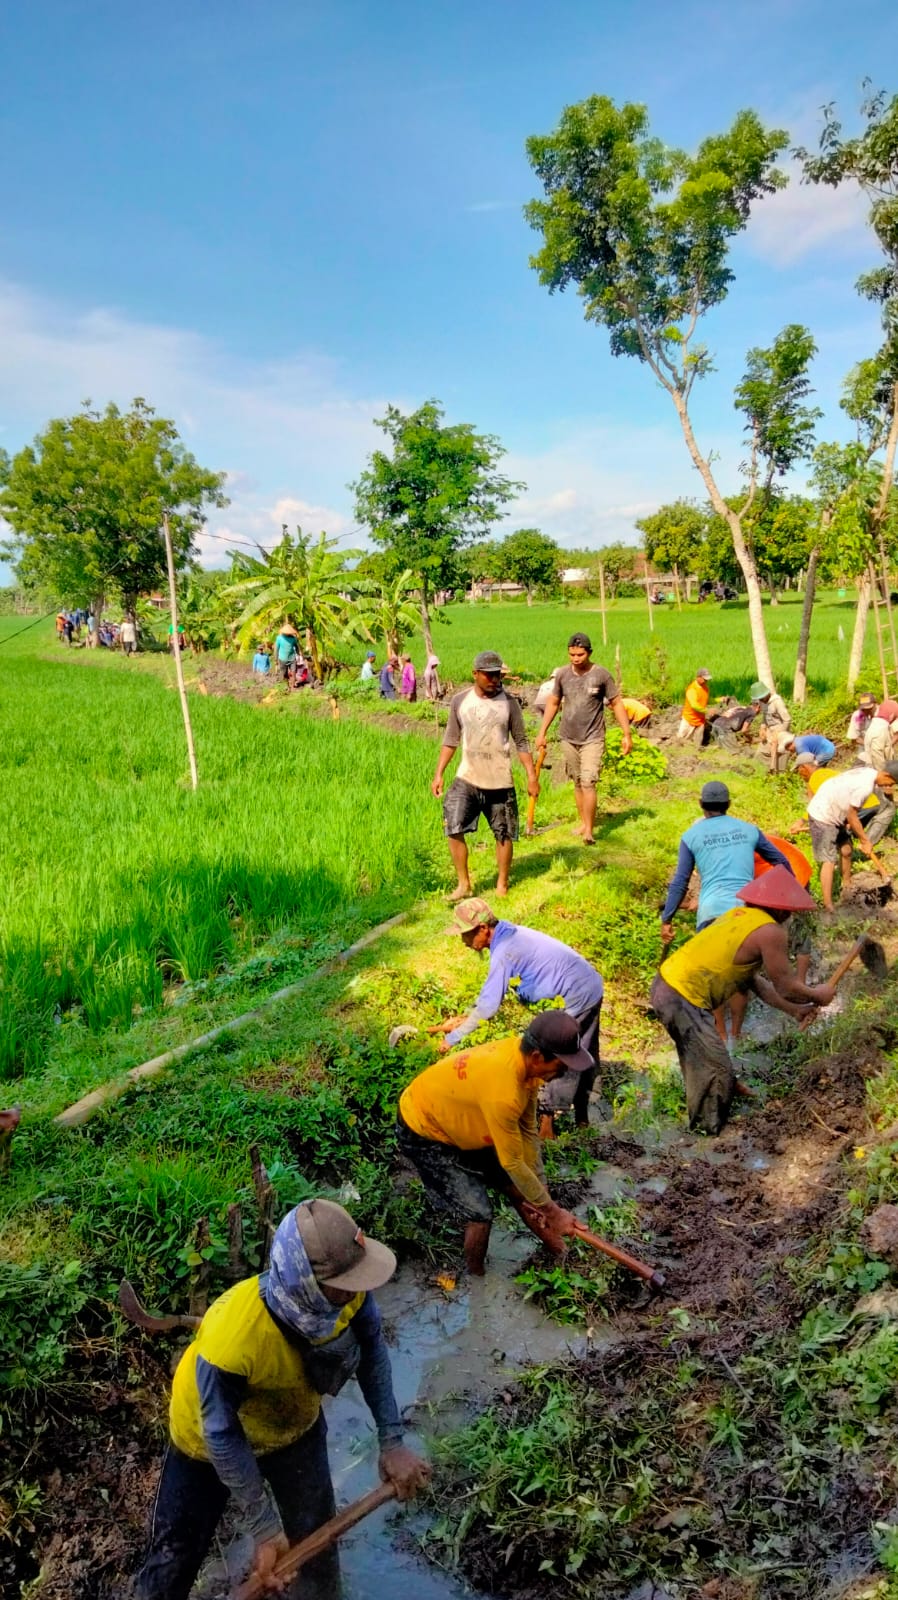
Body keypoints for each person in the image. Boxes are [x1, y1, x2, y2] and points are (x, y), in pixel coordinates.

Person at [135, 1199, 430, 1600]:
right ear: (305, 1282)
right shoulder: (234, 1339)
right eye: (343, 1284)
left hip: (292, 1427)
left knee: (315, 1546)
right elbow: (220, 1433)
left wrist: (392, 1440)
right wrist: (264, 1528)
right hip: (203, 1441)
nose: (357, 1290)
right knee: (175, 1555)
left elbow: (372, 1348)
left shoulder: (352, 1294)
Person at [397, 1013, 592, 1275]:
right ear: (537, 1057)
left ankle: (564, 1256)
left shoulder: (524, 1061)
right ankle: (478, 1283)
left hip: (470, 1118)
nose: (564, 1072)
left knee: (523, 1191)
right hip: (425, 1128)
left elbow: (528, 1131)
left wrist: (543, 1193)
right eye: (561, 1065)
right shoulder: (504, 1091)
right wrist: (554, 1213)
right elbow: (512, 1161)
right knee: (479, 1214)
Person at [651, 867, 836, 1135]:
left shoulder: (738, 916)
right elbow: (785, 985)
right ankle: (706, 1138)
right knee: (715, 1069)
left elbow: (754, 981)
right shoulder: (770, 932)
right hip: (682, 995)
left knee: (703, 1058)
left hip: (665, 985)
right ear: (783, 911)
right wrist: (818, 995)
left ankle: (719, 1096)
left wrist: (794, 1010)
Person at [432, 897, 604, 1135]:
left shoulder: (505, 950)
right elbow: (490, 993)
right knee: (583, 1047)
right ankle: (585, 1117)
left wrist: (453, 1039)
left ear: (483, 929)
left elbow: (489, 1007)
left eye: (466, 934)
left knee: (556, 1055)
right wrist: (465, 1016)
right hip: (591, 985)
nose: (463, 941)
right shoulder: (511, 935)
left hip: (578, 995)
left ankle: (547, 1125)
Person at [660, 780, 794, 1042]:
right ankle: (737, 1035)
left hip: (711, 912)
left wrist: (668, 917)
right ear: (728, 804)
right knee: (740, 976)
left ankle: (719, 1035)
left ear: (701, 805)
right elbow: (781, 861)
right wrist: (786, 896)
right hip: (745, 912)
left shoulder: (691, 836)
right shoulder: (748, 830)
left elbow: (681, 880)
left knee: (713, 976)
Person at [432, 651, 539, 899]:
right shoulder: (460, 701)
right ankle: (464, 884)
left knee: (503, 832)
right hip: (467, 777)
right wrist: (439, 774)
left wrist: (531, 776)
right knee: (453, 825)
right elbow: (450, 739)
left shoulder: (510, 703)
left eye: (497, 675)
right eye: (489, 675)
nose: (494, 680)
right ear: (475, 674)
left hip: (499, 780)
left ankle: (502, 883)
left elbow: (521, 742)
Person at [535, 633, 632, 847]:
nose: (575, 658)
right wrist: (542, 732)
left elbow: (616, 703)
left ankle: (589, 829)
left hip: (593, 737)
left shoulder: (601, 676)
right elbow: (553, 702)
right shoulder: (562, 675)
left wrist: (627, 734)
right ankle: (582, 822)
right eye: (571, 654)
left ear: (589, 653)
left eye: (580, 654)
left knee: (589, 781)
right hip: (568, 737)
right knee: (577, 781)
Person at [807, 762, 898, 910]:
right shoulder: (865, 787)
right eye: (891, 783)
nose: (888, 786)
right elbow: (852, 816)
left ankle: (847, 886)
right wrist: (865, 840)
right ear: (886, 775)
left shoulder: (869, 771)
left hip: (836, 811)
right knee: (829, 860)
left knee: (847, 850)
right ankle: (828, 906)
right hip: (823, 814)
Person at [750, 682, 792, 771]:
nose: (760, 701)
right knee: (760, 753)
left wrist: (779, 733)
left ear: (766, 694)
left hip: (780, 731)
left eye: (761, 698)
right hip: (770, 731)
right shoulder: (763, 702)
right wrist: (762, 727)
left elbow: (787, 720)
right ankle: (761, 773)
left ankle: (779, 775)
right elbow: (765, 716)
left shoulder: (777, 702)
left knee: (780, 754)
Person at [677, 668, 713, 744]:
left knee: (697, 745)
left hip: (700, 721)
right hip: (689, 720)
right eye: (704, 679)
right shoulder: (692, 689)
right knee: (680, 742)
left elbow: (707, 700)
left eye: (707, 679)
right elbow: (694, 705)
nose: (706, 681)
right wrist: (707, 711)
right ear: (698, 677)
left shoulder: (705, 688)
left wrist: (720, 699)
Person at [864, 700, 898, 770]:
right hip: (880, 775)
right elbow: (877, 759)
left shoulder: (875, 726)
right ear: (891, 716)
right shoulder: (880, 731)